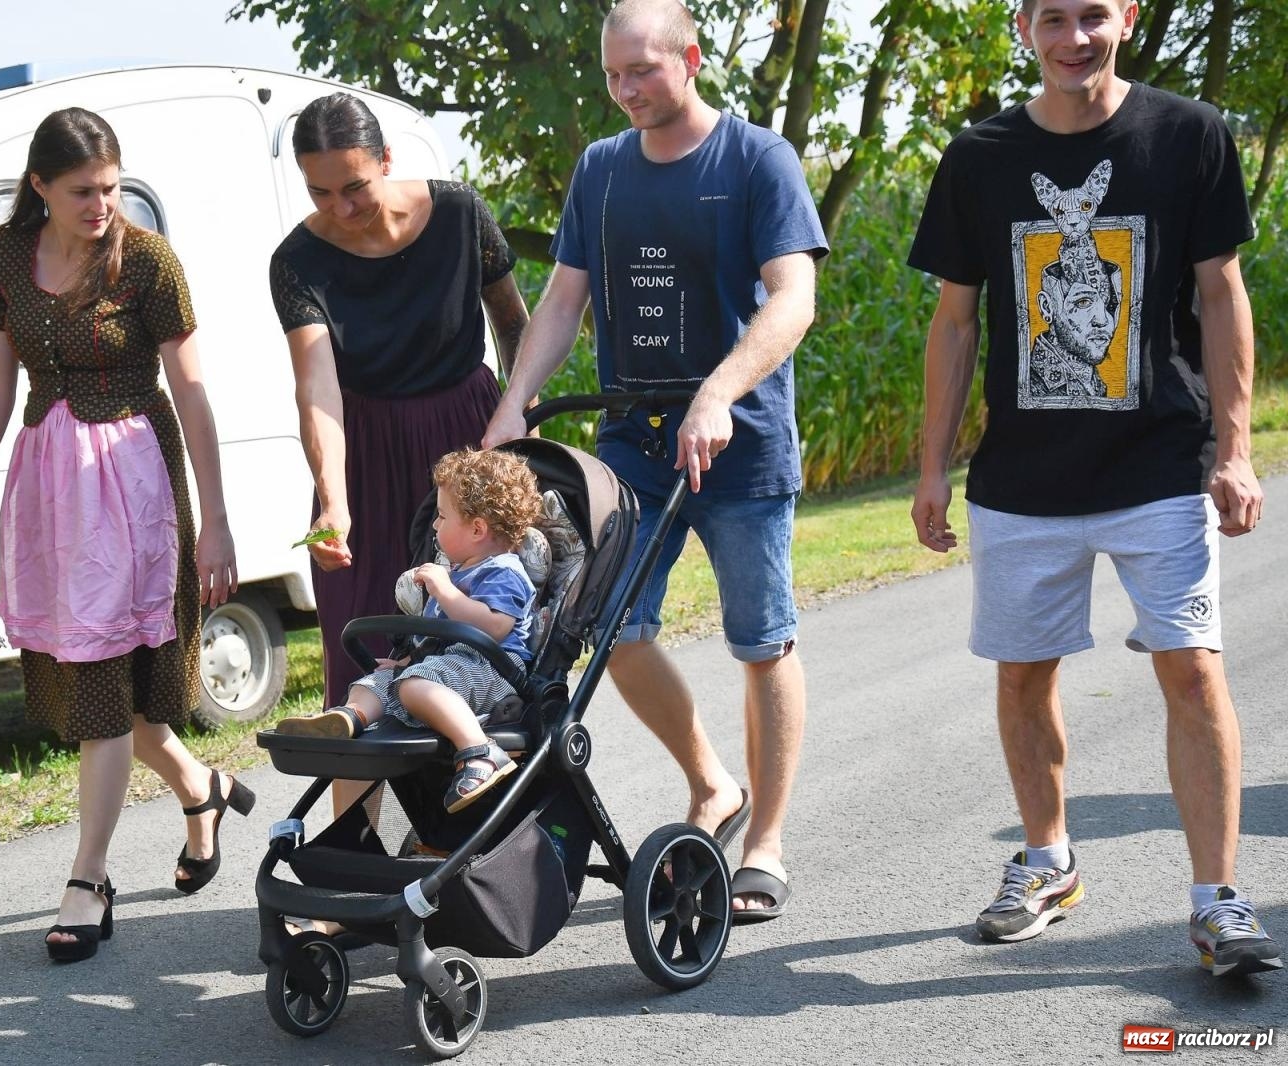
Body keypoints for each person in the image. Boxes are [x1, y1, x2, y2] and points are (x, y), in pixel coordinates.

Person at [908, 0, 1280, 977]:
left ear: (1126, 16)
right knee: (1024, 675)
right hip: (1021, 480)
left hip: (1160, 462)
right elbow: (955, 321)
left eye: (1093, 16)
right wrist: (931, 465)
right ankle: (1047, 863)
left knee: (1191, 669)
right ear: (1023, 27)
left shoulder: (1188, 136)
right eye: (1054, 19)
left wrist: (1234, 450)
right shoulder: (979, 158)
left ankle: (1218, 902)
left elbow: (1221, 292)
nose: (1074, 38)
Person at [482, 0, 828, 922]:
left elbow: (793, 298)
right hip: (631, 447)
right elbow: (562, 302)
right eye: (612, 74)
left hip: (739, 446)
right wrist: (514, 403)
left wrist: (718, 393)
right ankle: (713, 783)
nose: (626, 89)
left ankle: (765, 844)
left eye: (642, 69)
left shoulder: (756, 160)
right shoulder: (601, 170)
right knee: (614, 627)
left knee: (762, 642)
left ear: (692, 58)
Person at [0, 108, 253, 964]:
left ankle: (89, 877)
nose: (101, 205)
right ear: (39, 185)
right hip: (50, 489)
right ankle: (203, 789)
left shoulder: (146, 260)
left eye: (111, 187)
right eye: (82, 191)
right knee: (98, 685)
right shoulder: (6, 258)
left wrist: (217, 519)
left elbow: (192, 393)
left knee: (107, 689)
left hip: (135, 487)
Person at [269, 92, 530, 818]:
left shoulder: (460, 213)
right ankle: (350, 848)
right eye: (321, 192)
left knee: (476, 634)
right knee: (362, 646)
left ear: (387, 159)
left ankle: (478, 826)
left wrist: (520, 422)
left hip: (467, 440)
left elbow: (513, 324)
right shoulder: (296, 261)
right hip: (366, 457)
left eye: (355, 185)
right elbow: (317, 387)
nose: (342, 207)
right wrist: (332, 499)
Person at [277, 448, 542, 813]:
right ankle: (349, 718)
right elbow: (436, 639)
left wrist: (445, 592)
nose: (434, 525)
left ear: (477, 529)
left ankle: (480, 750)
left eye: (442, 516)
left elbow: (495, 627)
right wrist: (404, 662)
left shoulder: (503, 571)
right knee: (373, 682)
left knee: (414, 685)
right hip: (448, 667)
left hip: (492, 669)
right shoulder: (455, 572)